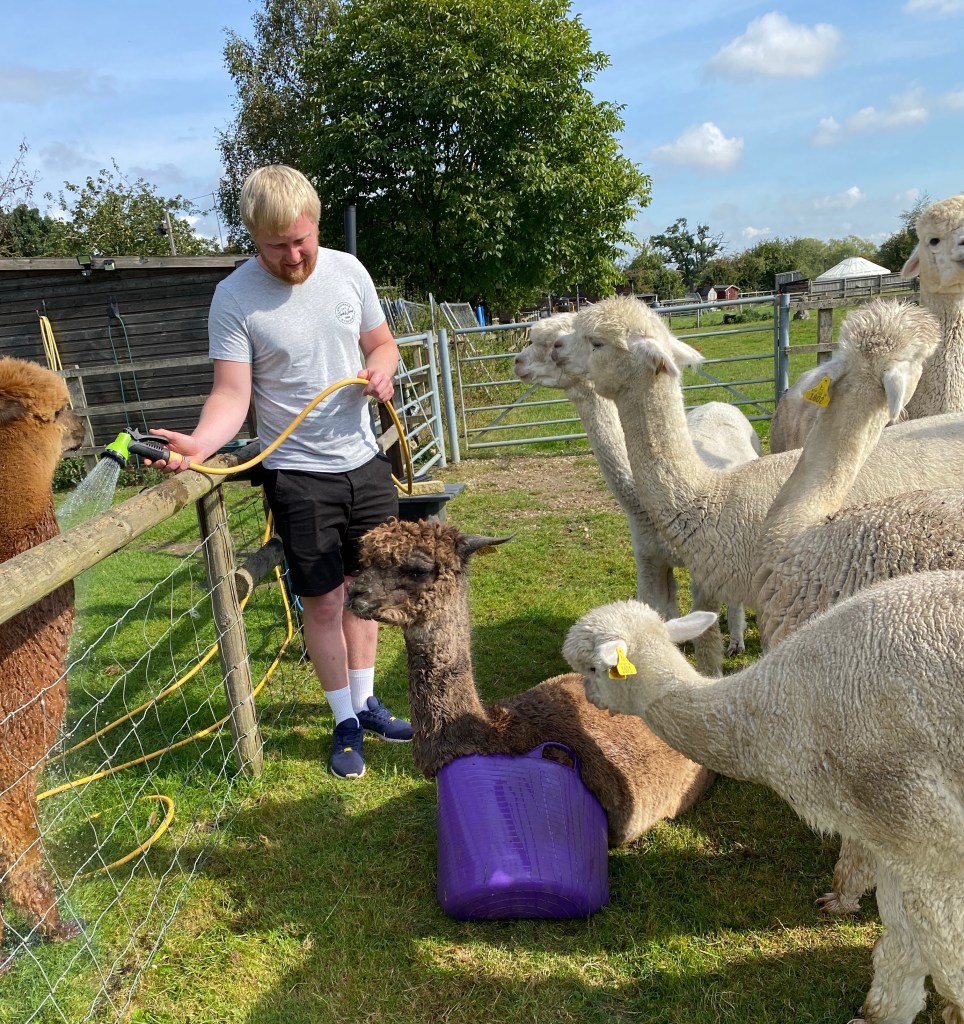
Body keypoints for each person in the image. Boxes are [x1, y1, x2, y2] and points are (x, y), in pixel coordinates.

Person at [150, 164, 412, 780]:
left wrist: (382, 367)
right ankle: (344, 722)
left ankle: (366, 701)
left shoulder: (349, 271)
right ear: (253, 238)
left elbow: (383, 343)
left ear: (316, 224)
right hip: (299, 475)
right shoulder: (234, 297)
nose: (294, 256)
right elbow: (231, 394)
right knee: (323, 602)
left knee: (367, 593)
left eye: (302, 240)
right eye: (277, 246)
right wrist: (199, 445)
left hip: (365, 464)